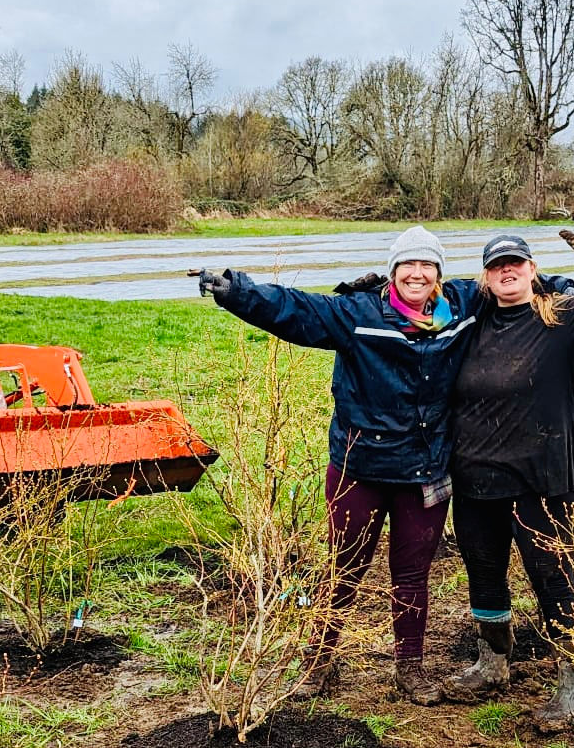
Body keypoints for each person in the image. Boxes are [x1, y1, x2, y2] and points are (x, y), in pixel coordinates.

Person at [188, 226, 480, 704]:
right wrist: (236, 290)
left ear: (439, 274)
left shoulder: (461, 308)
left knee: (412, 574)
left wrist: (560, 287)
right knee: (342, 570)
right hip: (359, 467)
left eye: (427, 265)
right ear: (393, 271)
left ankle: (409, 669)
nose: (417, 273)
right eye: (408, 264)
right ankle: (319, 663)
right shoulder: (357, 314)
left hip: (425, 471)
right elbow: (294, 309)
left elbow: (511, 279)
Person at [442, 203, 574, 731]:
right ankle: (492, 663)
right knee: (483, 571)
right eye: (498, 266)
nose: (508, 272)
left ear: (531, 270)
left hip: (542, 480)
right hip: (476, 478)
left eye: (517, 264)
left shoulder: (567, 318)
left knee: (552, 575)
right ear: (485, 277)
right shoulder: (470, 323)